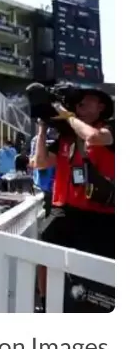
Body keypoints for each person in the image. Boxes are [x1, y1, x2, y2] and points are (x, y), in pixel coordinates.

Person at [33, 89, 114, 313]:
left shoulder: (111, 128)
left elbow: (94, 138)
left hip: (103, 215)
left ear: (101, 107)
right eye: (77, 105)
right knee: (44, 249)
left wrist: (67, 116)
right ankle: (45, 304)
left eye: (86, 104)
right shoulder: (66, 137)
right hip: (67, 210)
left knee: (101, 271)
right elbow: (40, 162)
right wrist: (42, 128)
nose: (80, 108)